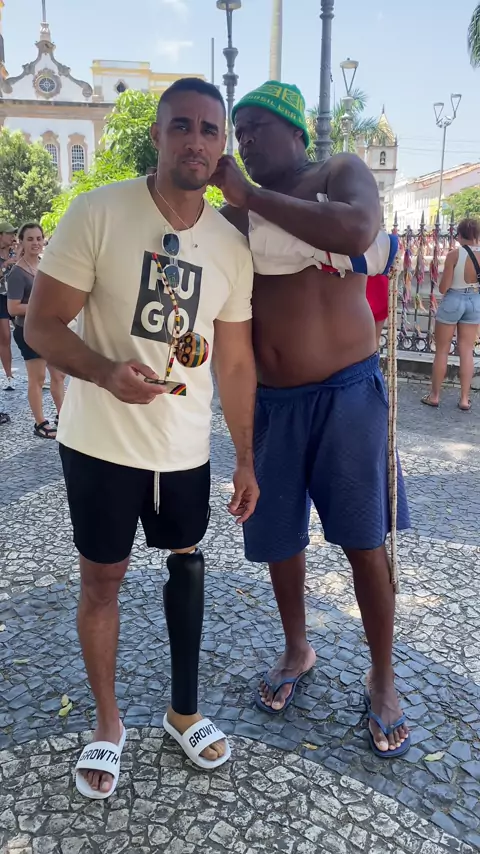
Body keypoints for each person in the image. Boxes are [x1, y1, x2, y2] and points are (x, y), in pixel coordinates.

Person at [25, 77, 259, 798]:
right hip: (100, 442)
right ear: (156, 135)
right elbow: (41, 324)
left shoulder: (230, 246)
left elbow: (236, 361)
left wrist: (245, 457)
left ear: (222, 147)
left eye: (210, 129)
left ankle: (183, 712)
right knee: (103, 580)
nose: (195, 140)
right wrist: (104, 373)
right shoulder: (97, 212)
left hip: (183, 447)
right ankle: (108, 722)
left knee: (187, 566)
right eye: (181, 125)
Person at [216, 80, 410, 758]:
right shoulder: (234, 216)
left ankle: (382, 674)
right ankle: (298, 648)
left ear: (295, 131)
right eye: (238, 132)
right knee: (279, 539)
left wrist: (249, 196)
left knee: (364, 539)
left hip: (347, 393)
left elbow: (357, 230)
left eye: (256, 128)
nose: (244, 141)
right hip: (272, 402)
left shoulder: (337, 173)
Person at [7, 223, 66, 438]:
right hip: (28, 331)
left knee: (59, 375)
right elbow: (13, 308)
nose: (36, 243)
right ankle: (40, 423)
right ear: (21, 242)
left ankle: (64, 416)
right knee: (38, 378)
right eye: (30, 239)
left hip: (48, 329)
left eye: (39, 238)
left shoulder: (43, 266)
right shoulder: (17, 273)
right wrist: (41, 307)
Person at [422, 217, 480, 412]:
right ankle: (464, 399)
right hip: (474, 301)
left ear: (460, 235)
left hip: (454, 300)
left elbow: (443, 288)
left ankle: (434, 396)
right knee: (467, 351)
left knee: (442, 350)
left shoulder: (454, 255)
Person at [0, 221, 17, 391]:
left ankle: (38, 373)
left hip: (17, 296)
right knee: (5, 336)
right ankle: (8, 376)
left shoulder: (15, 251)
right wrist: (5, 265)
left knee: (29, 333)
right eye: (9, 233)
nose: (13, 236)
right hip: (1, 298)